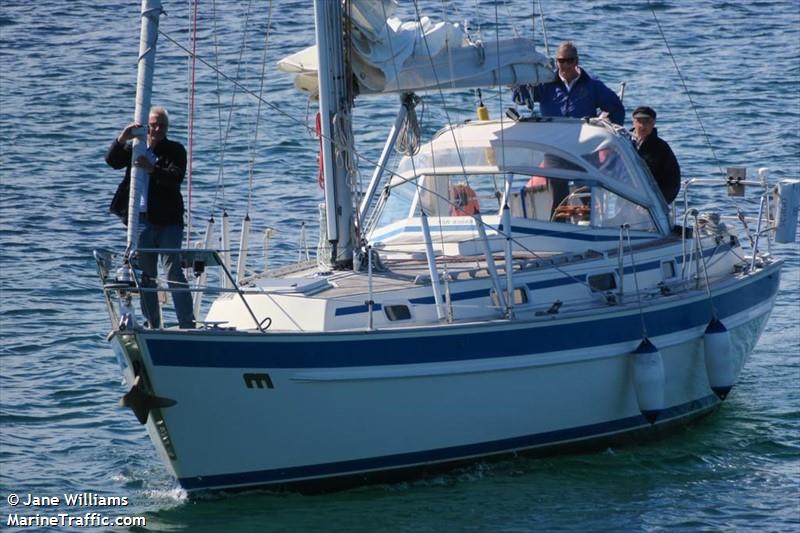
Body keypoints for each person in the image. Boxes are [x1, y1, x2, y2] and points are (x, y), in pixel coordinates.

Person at [106, 106, 195, 329]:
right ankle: (152, 324)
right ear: (146, 126)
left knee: (173, 271)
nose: (157, 129)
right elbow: (112, 161)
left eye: (161, 125)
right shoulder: (136, 147)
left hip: (168, 220)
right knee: (146, 276)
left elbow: (175, 178)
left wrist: (152, 168)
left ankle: (187, 323)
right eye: (153, 124)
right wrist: (122, 138)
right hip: (141, 220)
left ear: (167, 128)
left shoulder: (174, 150)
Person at [513, 41, 625, 125]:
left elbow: (617, 108)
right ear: (556, 62)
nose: (566, 65)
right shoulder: (545, 83)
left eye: (569, 60)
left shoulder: (592, 84)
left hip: (582, 143)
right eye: (562, 61)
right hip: (552, 141)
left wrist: (606, 126)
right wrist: (517, 80)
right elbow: (522, 99)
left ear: (577, 61)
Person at [630, 106, 681, 204]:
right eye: (639, 121)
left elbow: (672, 182)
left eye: (647, 122)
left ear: (653, 123)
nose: (642, 125)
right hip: (625, 199)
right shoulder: (623, 142)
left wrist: (657, 202)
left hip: (651, 202)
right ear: (633, 122)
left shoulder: (661, 148)